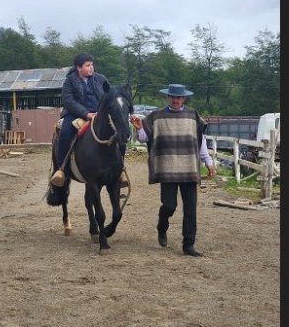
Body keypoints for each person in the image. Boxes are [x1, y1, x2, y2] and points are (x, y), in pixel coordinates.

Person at [130, 84, 215, 257]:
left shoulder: (193, 116)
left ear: (184, 98)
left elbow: (200, 140)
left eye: (179, 97)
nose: (175, 100)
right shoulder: (156, 116)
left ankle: (188, 244)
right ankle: (162, 226)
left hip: (189, 168)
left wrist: (207, 160)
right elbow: (146, 138)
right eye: (172, 97)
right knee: (169, 205)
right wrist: (139, 128)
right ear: (168, 97)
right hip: (167, 167)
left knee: (190, 208)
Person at [51, 53, 128, 187]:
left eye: (92, 65)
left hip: (99, 113)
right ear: (79, 68)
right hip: (75, 114)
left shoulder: (101, 79)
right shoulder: (69, 81)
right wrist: (86, 114)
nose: (91, 68)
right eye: (87, 65)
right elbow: (69, 102)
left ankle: (120, 170)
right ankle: (61, 169)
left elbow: (109, 96)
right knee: (65, 133)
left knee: (120, 134)